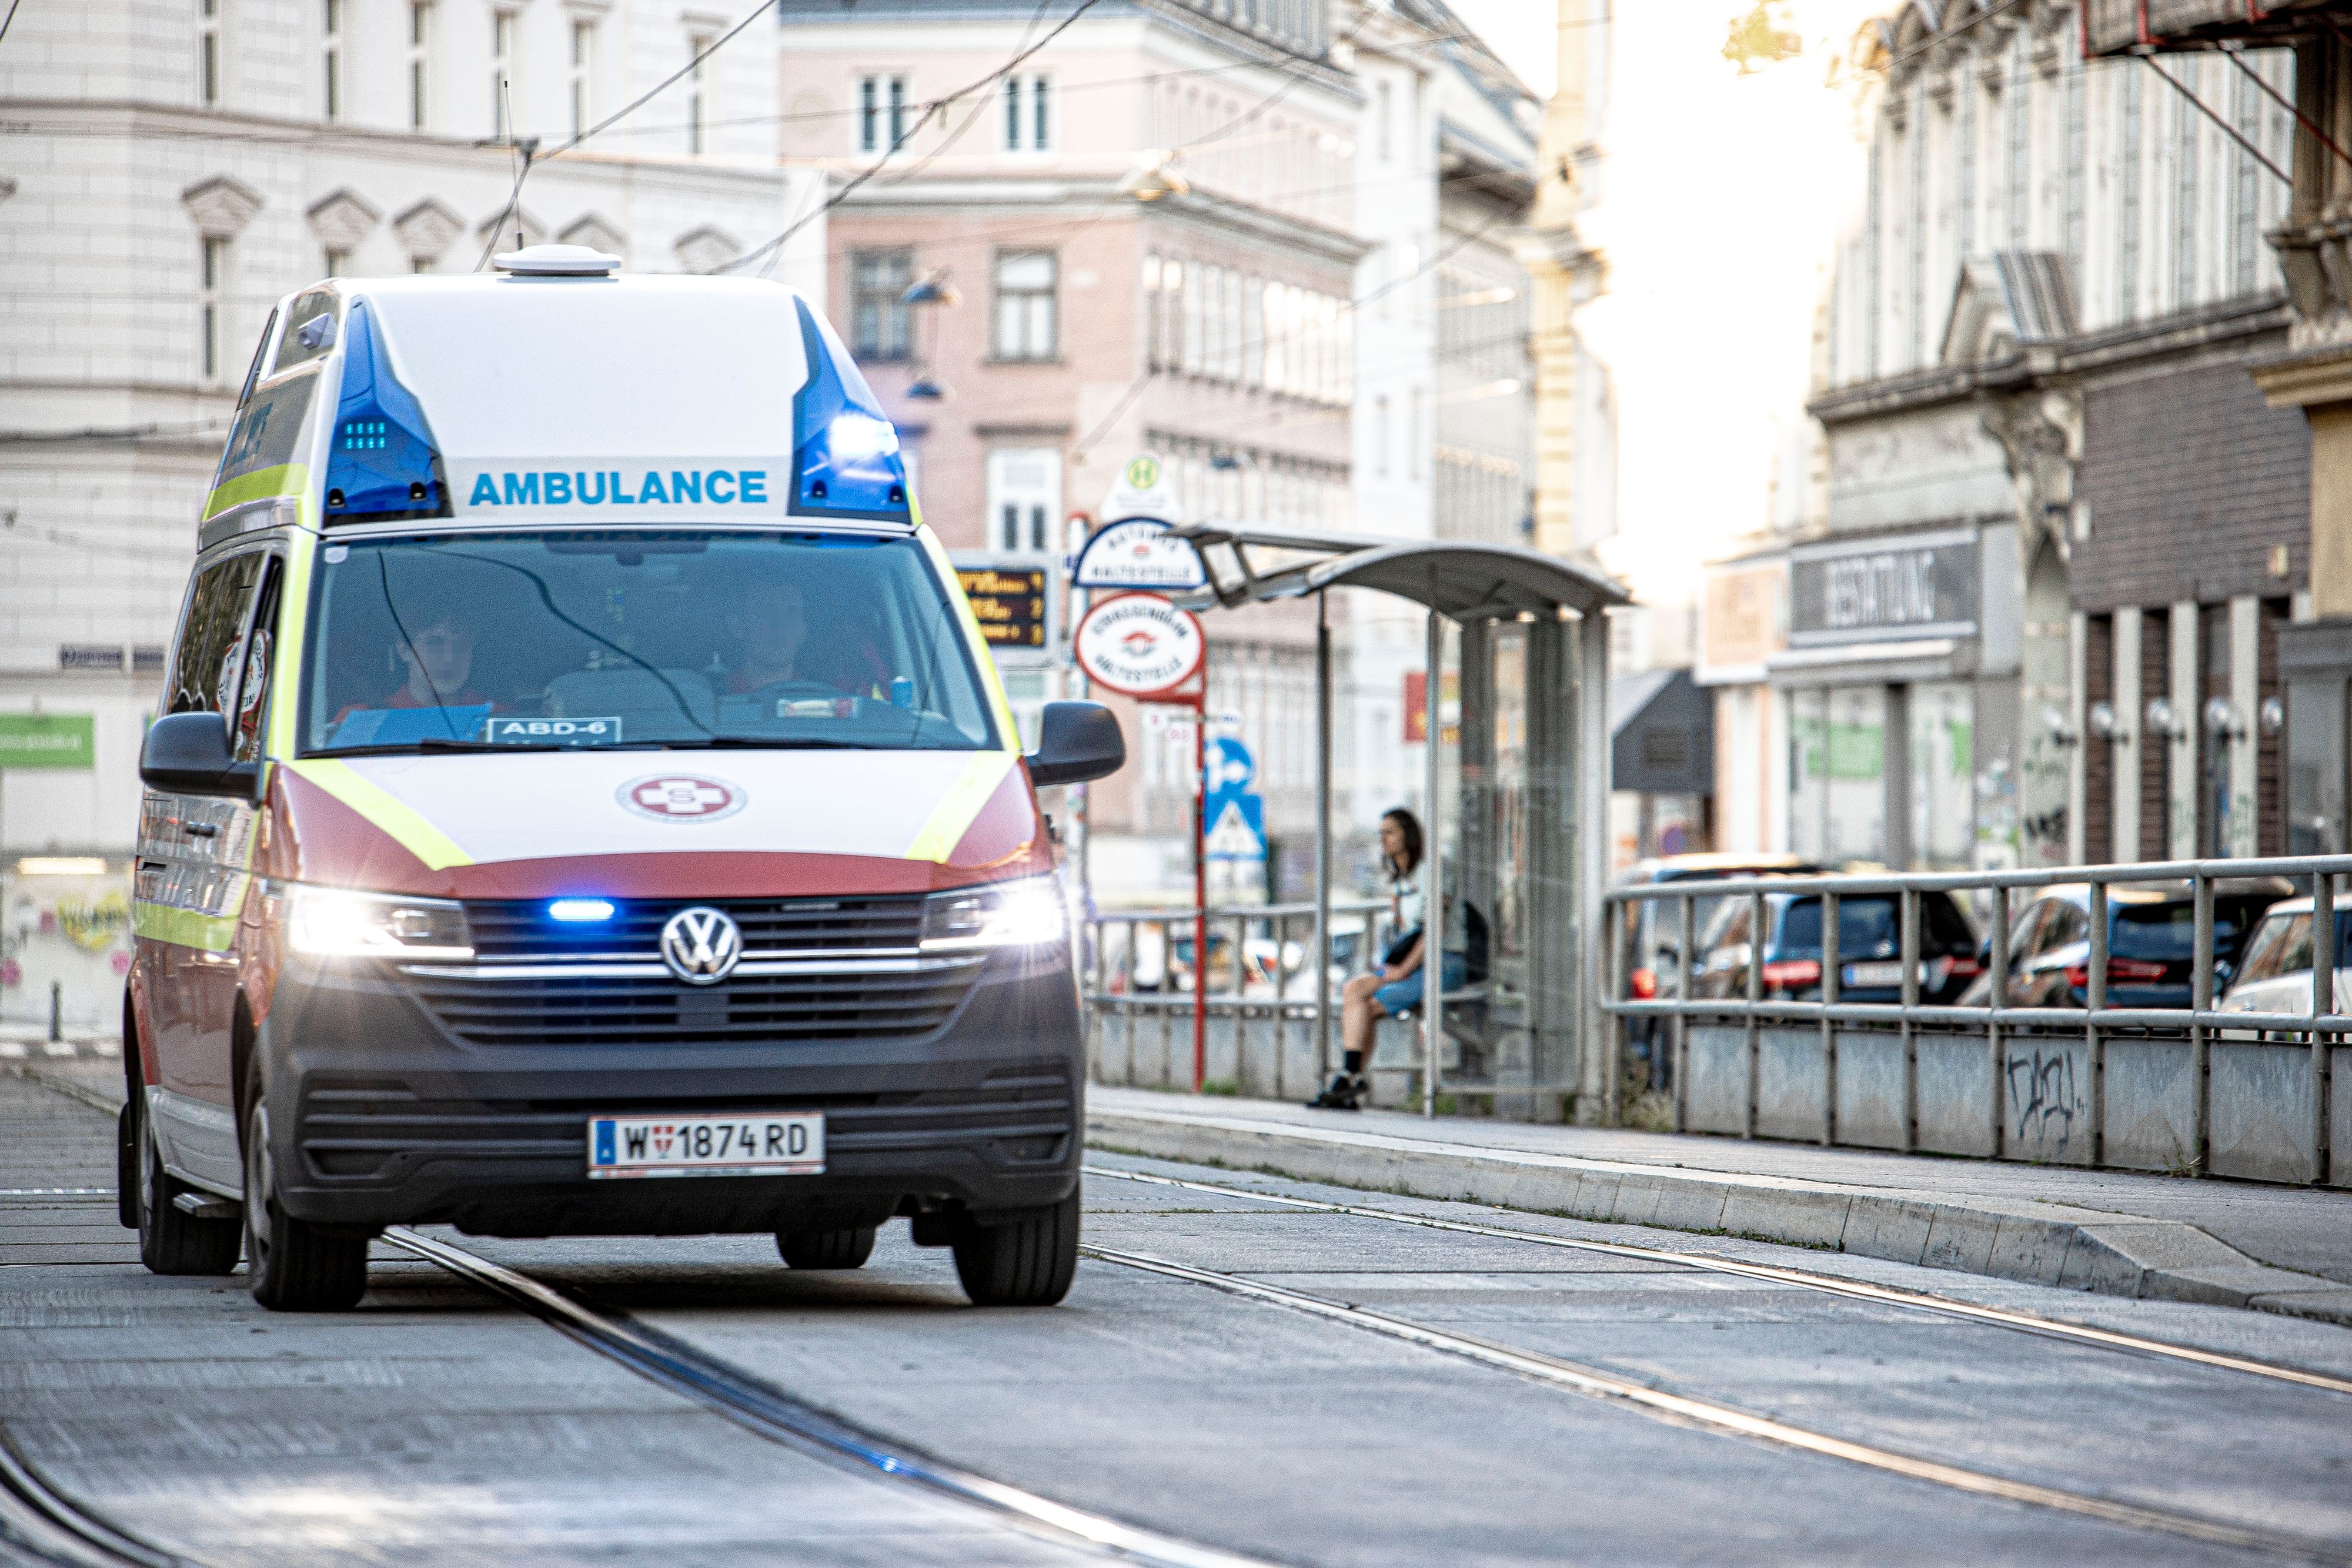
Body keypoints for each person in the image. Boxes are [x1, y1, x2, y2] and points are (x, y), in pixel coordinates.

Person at [1307, 807, 1468, 1111]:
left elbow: (1436, 927)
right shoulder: (1399, 879)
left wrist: (1402, 971)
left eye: (1390, 832)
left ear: (1408, 835)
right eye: (1380, 833)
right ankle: (1350, 1080)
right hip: (1413, 963)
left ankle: (1349, 1081)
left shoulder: (1433, 870)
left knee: (1364, 1005)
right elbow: (1404, 933)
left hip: (1444, 961)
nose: (1383, 839)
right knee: (1354, 992)